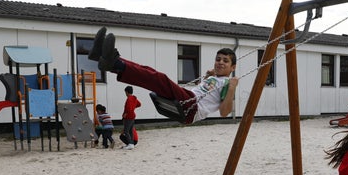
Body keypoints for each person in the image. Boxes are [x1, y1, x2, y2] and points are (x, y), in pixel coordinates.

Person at [89, 27, 239, 125]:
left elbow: (224, 112)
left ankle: (114, 63)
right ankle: (106, 59)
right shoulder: (216, 79)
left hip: (191, 107)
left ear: (233, 67)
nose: (220, 63)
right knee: (150, 73)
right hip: (187, 99)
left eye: (225, 61)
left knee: (158, 78)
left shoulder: (228, 83)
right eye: (218, 59)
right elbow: (206, 93)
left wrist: (231, 88)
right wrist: (208, 77)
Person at [122, 86, 141, 150]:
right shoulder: (134, 98)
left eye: (125, 92)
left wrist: (125, 114)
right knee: (130, 131)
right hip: (132, 116)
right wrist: (133, 107)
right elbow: (139, 104)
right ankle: (131, 144)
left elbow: (129, 108)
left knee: (126, 131)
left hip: (128, 117)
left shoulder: (129, 98)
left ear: (127, 92)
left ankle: (130, 143)